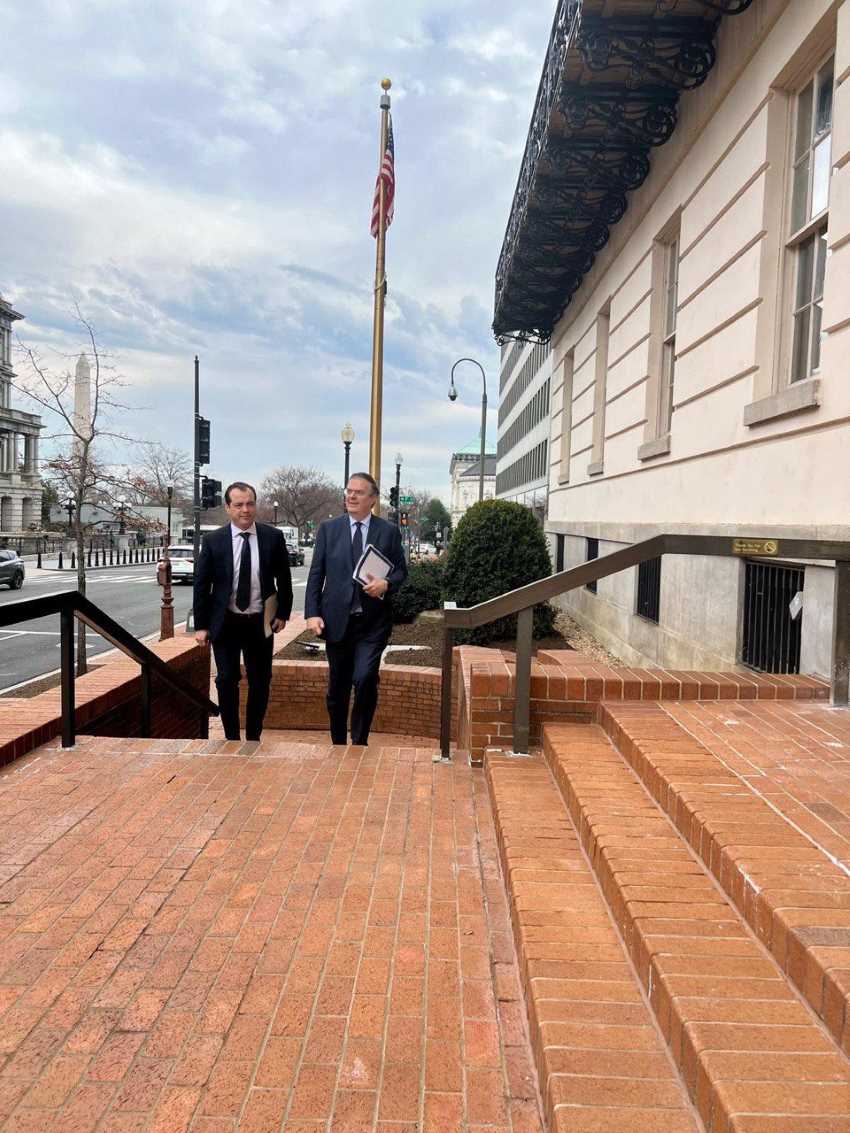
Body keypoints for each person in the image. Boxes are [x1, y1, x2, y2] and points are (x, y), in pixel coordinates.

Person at [305, 473, 407, 745]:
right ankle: (338, 742)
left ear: (372, 499)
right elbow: (316, 574)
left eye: (359, 492)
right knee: (337, 689)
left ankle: (359, 741)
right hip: (336, 621)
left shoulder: (388, 532)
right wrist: (312, 613)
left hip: (372, 624)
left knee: (364, 680)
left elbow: (401, 572)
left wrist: (386, 583)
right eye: (348, 491)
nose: (351, 496)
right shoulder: (329, 529)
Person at [193, 481, 292, 742]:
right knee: (226, 679)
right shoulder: (214, 541)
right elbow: (202, 585)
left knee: (260, 681)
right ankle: (232, 737)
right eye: (238, 505)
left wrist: (283, 613)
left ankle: (254, 736)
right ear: (228, 508)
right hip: (225, 622)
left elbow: (284, 578)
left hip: (260, 623)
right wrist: (202, 626)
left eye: (249, 503)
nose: (245, 510)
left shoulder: (273, 538)